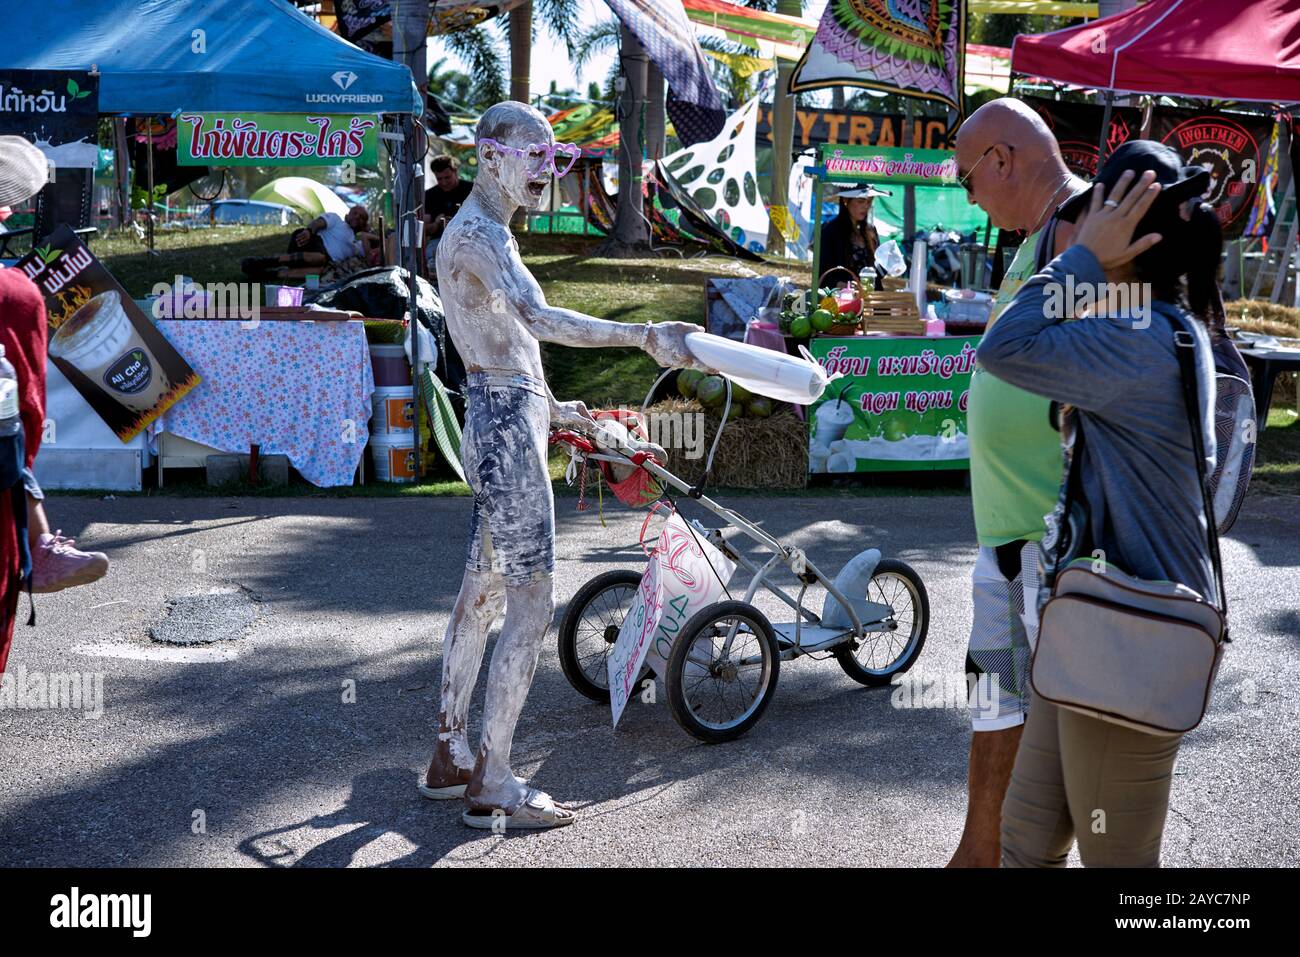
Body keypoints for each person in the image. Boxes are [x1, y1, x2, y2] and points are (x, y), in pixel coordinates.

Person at [420, 101, 706, 830]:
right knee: (529, 601)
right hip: (505, 428)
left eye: (555, 156)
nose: (548, 170)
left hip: (510, 414)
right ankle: (495, 777)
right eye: (535, 155)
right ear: (489, 156)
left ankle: (453, 754)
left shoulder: (488, 235)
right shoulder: (479, 236)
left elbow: (509, 350)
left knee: (481, 596)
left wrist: (557, 406)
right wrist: (643, 334)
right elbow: (537, 321)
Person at [978, 142, 1222, 867]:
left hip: (1131, 629)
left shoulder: (1138, 340)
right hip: (1090, 617)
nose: (1075, 232)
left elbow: (1005, 344)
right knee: (1026, 843)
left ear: (1126, 231)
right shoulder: (1156, 324)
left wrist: (1083, 259)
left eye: (1091, 219)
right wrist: (1090, 263)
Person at [947, 98, 1089, 867]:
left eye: (969, 179)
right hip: (1009, 539)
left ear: (1002, 159)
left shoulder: (1080, 229)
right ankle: (980, 850)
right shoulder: (1038, 239)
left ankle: (1019, 855)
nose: (969, 197)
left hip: (1055, 537)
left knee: (1065, 723)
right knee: (993, 699)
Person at [241, 205, 380, 280]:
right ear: (347, 214)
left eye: (362, 217)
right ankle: (261, 262)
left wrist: (367, 231)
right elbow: (319, 223)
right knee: (320, 258)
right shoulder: (336, 219)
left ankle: (268, 275)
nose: (357, 216)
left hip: (324, 262)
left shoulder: (356, 246)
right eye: (355, 212)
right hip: (309, 241)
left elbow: (371, 244)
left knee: (317, 271)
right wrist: (309, 231)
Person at [819, 184, 887, 280]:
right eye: (861, 201)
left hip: (870, 292)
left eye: (869, 202)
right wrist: (840, 285)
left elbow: (878, 273)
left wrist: (888, 262)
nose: (866, 206)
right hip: (842, 293)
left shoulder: (871, 230)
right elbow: (823, 271)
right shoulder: (830, 230)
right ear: (846, 201)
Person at [423, 154, 472, 262]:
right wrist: (436, 224)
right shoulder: (429, 195)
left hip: (469, 240)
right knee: (433, 255)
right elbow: (424, 229)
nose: (444, 182)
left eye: (447, 178)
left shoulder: (472, 190)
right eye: (439, 179)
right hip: (439, 241)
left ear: (456, 172)